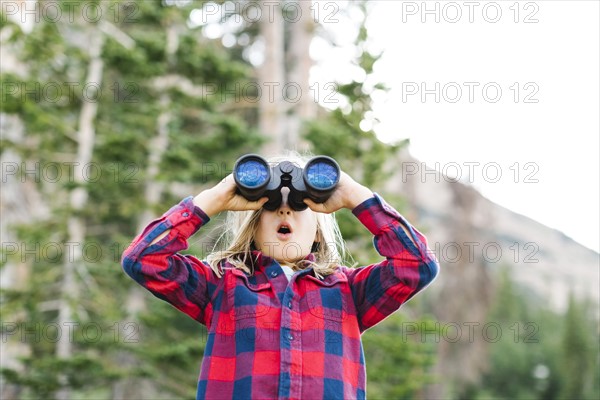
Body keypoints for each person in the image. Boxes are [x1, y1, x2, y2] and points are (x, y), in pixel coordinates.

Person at [121, 152, 439, 400]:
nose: (285, 211)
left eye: (298, 206)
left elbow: (417, 264)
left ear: (318, 229)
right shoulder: (221, 285)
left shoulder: (349, 291)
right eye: (272, 205)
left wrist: (355, 195)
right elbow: (144, 259)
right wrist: (215, 198)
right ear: (254, 224)